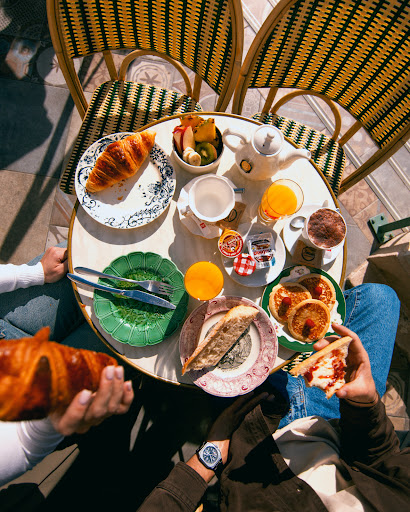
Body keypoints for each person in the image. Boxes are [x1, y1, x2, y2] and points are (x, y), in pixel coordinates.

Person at [137, 283, 410, 511]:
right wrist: (364, 405)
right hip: (334, 423)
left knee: (205, 340)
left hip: (254, 441)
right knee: (380, 298)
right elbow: (382, 461)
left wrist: (209, 456)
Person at [0, 245, 135, 486]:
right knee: (129, 331)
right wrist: (49, 420)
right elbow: (20, 443)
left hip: (5, 323)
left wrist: (33, 274)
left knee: (97, 260)